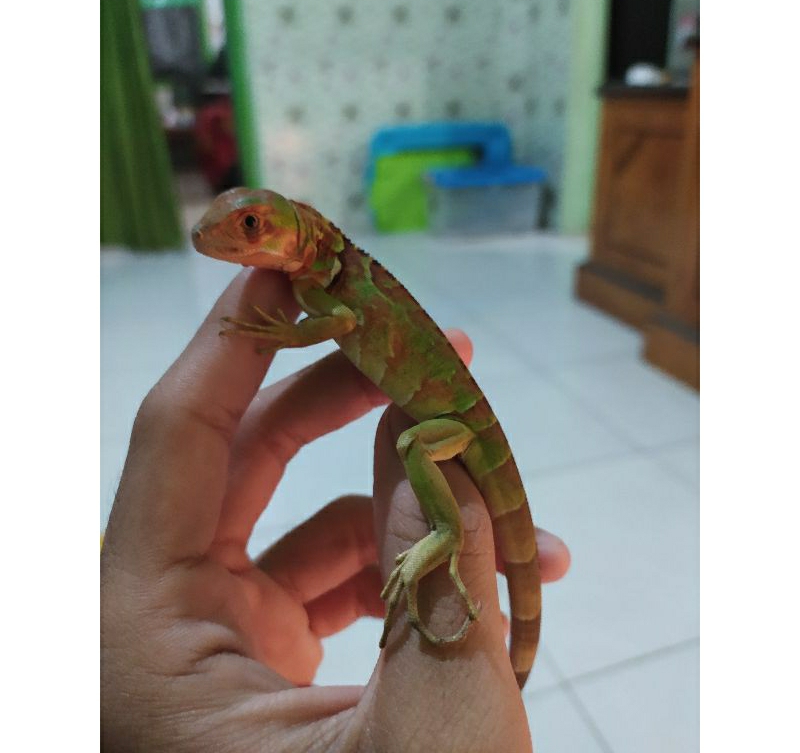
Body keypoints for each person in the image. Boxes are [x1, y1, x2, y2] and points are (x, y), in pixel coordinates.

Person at [101, 268, 571, 751]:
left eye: (251, 231)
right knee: (413, 446)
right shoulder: (315, 283)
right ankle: (514, 666)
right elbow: (341, 319)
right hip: (457, 419)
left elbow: (342, 320)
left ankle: (447, 532)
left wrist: (289, 336)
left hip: (462, 425)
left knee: (412, 444)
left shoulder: (326, 282)